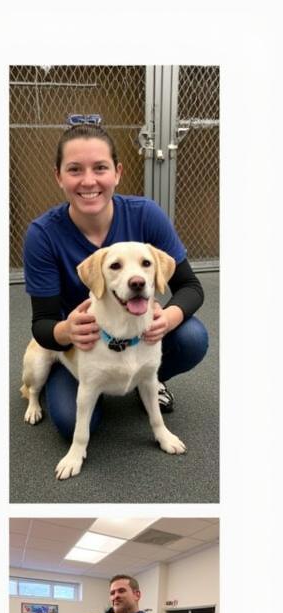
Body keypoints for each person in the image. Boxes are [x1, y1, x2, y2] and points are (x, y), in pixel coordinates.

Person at [23, 121, 208, 436]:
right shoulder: (43, 235)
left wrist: (169, 319)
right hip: (80, 344)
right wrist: (66, 331)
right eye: (75, 170)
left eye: (100, 168)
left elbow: (191, 288)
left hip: (139, 334)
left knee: (192, 337)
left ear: (117, 172)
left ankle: (144, 381)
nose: (89, 180)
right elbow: (41, 324)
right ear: (58, 176)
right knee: (71, 422)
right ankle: (48, 389)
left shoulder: (145, 214)